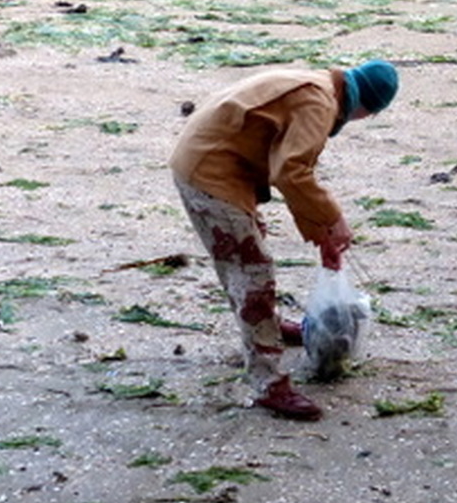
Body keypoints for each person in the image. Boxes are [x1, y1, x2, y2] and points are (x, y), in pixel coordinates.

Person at [169, 60, 399, 421]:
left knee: (249, 250)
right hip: (210, 172)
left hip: (210, 159)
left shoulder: (318, 83)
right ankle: (268, 383)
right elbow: (290, 172)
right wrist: (332, 220)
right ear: (366, 110)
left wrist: (321, 235)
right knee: (252, 273)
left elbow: (283, 164)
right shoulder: (320, 104)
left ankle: (270, 330)